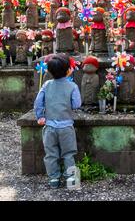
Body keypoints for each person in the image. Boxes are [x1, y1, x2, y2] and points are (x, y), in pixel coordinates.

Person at [33, 54, 81, 189]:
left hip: (49, 126)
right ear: (68, 70)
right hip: (66, 126)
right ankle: (71, 180)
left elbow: (38, 103)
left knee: (51, 154)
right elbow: (77, 104)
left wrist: (40, 117)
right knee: (69, 153)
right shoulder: (72, 86)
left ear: (48, 71)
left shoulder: (46, 84)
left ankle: (54, 179)